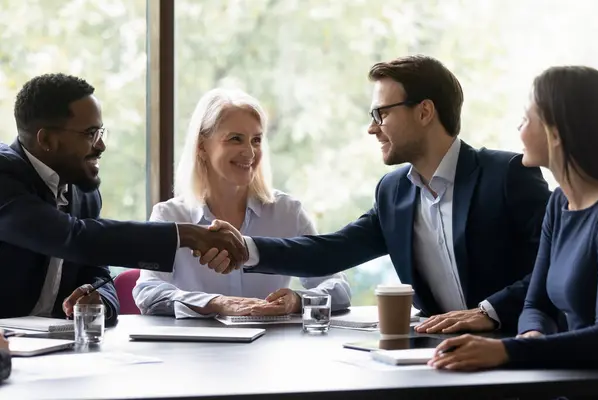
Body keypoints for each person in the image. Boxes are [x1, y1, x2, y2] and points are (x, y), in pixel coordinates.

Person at [204, 55, 551, 334]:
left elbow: (552, 266)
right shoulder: (393, 192)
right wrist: (244, 247)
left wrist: (488, 312)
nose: (372, 128)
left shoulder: (506, 175)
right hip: (437, 357)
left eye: (381, 114)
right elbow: (330, 251)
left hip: (515, 351)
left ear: (425, 111)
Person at [0, 73, 247, 325]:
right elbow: (73, 237)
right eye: (90, 133)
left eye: (101, 132)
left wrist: (99, 299)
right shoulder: (3, 174)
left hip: (52, 352)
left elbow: (97, 271)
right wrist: (187, 235)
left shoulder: (83, 193)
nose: (101, 145)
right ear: (47, 140)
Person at [429, 66, 598, 370]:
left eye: (525, 119)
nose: (518, 129)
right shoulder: (560, 203)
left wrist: (507, 352)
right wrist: (530, 336)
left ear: (556, 133)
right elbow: (537, 304)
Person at [133, 89, 351, 318]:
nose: (249, 152)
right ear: (201, 146)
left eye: (256, 140)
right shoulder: (169, 216)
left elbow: (338, 286)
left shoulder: (288, 212)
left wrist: (298, 301)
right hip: (195, 351)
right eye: (235, 139)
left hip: (269, 349)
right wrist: (216, 303)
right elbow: (148, 292)